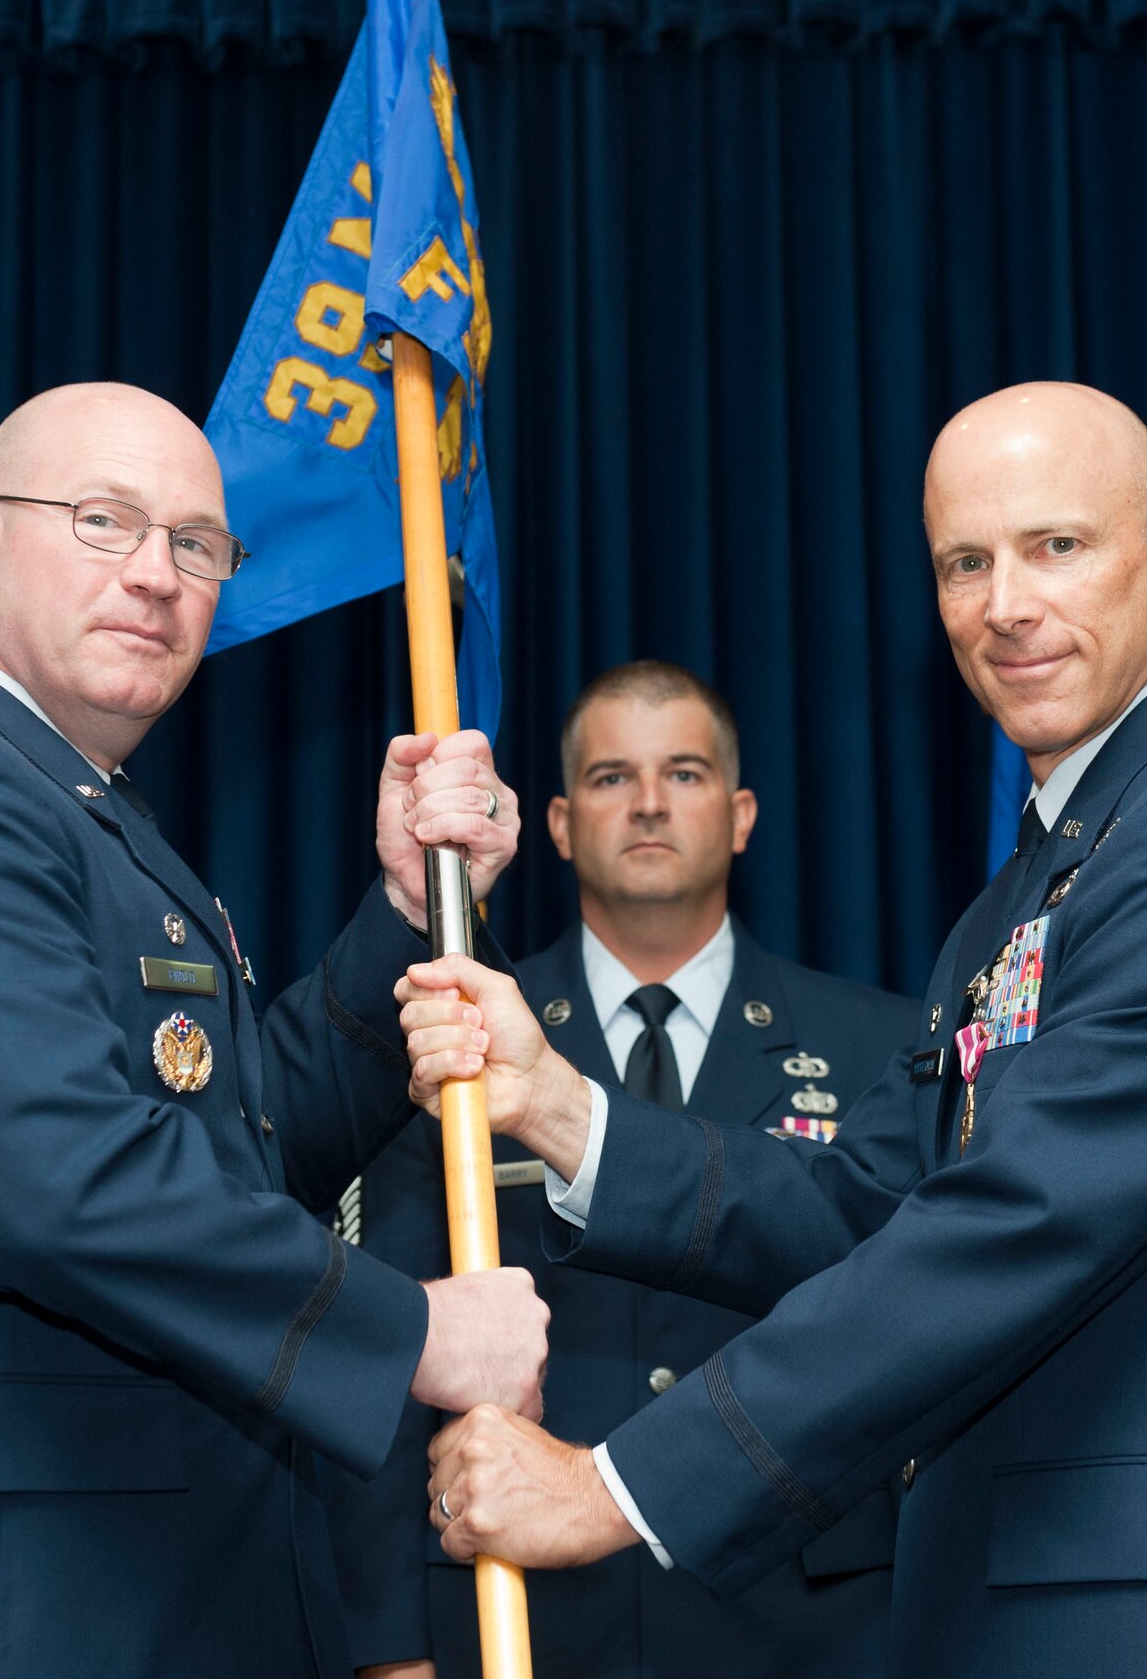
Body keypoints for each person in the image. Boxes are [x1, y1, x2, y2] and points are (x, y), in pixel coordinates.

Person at [398, 383, 1147, 1678]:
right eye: (964, 562)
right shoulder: (1042, 879)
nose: (1006, 604)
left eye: (1057, 545)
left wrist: (615, 1486)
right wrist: (556, 1105)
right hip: (1014, 1610)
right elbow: (875, 1203)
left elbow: (1016, 1220)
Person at [0, 383, 549, 1679]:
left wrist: (405, 910)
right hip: (0, 1610)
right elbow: (66, 1184)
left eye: (198, 543)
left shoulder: (72, 808)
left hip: (154, 1595)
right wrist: (414, 1332)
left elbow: (242, 1151)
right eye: (103, 520)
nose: (158, 574)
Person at [329, 663, 918, 1678]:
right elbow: (381, 1334)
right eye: (611, 776)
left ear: (740, 815)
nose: (648, 802)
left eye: (683, 773)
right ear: (557, 824)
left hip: (807, 1620)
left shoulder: (877, 1043)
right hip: (525, 1616)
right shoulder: (454, 1027)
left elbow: (909, 1336)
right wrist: (388, 1650)